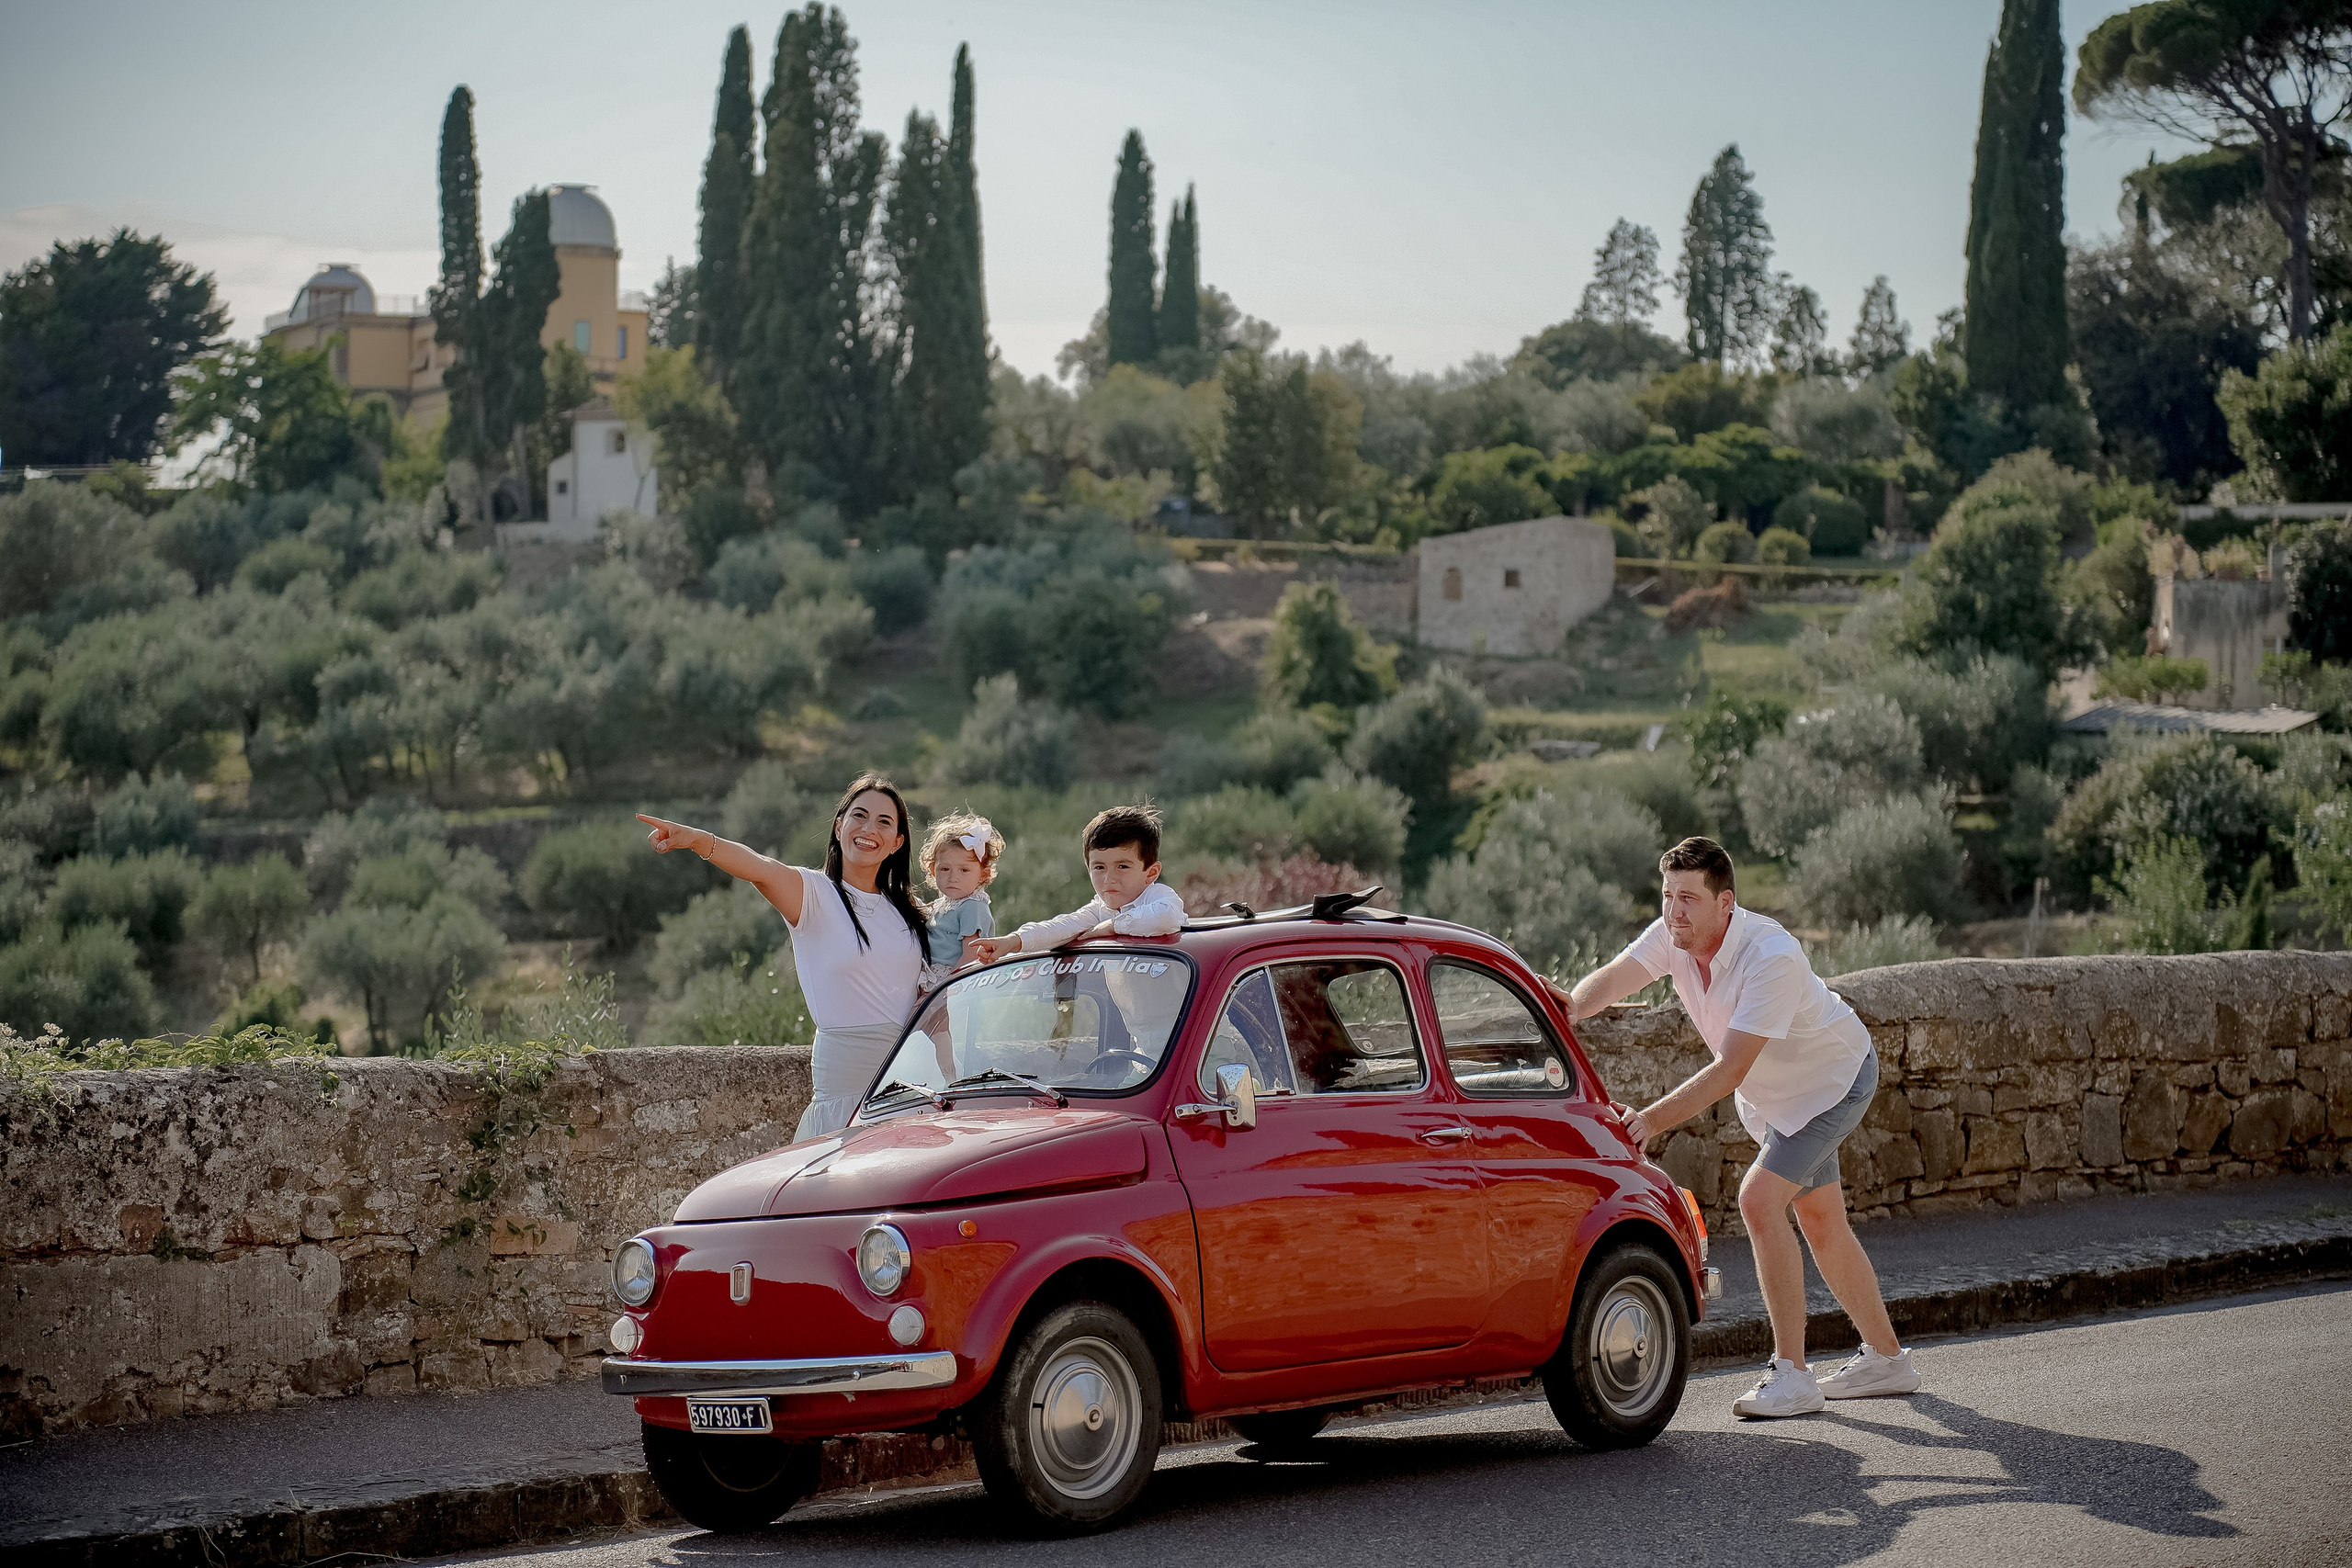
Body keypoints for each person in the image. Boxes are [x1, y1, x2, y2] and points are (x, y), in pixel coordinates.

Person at [1553, 835, 1920, 1419]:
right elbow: (1619, 977)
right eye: (1669, 895)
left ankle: (1792, 1375)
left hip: (1834, 1084)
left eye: (1690, 898)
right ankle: (1888, 1358)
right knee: (1822, 1221)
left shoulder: (1770, 954)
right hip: (1783, 1102)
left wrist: (1648, 1121)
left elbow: (1729, 1070)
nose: (1675, 910)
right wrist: (1568, 1006)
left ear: (1725, 903)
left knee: (1759, 1200)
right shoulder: (1674, 936)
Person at [638, 774, 927, 1141]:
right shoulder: (814, 894)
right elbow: (759, 867)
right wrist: (697, 840)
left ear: (897, 842)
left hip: (915, 1088)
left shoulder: (907, 912)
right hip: (848, 1096)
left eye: (884, 822)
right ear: (839, 827)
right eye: (860, 815)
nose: (869, 828)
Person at [969, 804, 1184, 961]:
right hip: (1130, 1024)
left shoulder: (1159, 898)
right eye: (1099, 867)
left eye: (1123, 866)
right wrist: (1011, 942)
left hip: (1185, 1021)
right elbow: (1062, 926)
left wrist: (1111, 927)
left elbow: (1167, 918)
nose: (1109, 879)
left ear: (1151, 873)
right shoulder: (1100, 910)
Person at [916, 812, 1001, 993]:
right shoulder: (943, 904)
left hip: (954, 983)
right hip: (933, 978)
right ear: (933, 870)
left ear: (983, 875)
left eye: (964, 870)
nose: (953, 878)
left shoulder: (972, 906)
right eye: (945, 869)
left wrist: (944, 989)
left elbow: (971, 955)